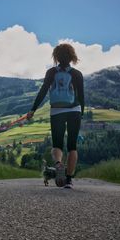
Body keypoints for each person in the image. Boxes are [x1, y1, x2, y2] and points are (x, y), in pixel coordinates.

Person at [27, 43, 84, 189]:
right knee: (72, 147)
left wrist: (33, 109)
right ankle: (69, 180)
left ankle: (58, 164)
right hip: (74, 110)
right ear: (72, 56)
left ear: (56, 56)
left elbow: (43, 91)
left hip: (57, 110)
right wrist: (81, 113)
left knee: (57, 144)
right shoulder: (77, 74)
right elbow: (82, 97)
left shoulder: (51, 72)